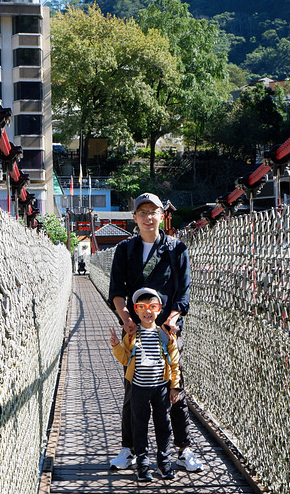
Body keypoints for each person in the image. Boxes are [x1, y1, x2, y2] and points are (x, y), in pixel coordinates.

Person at [107, 192, 203, 472]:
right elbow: (117, 290)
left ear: (163, 216)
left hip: (165, 332)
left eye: (154, 212)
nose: (148, 217)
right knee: (132, 391)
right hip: (136, 330)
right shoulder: (125, 249)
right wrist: (126, 319)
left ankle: (183, 450)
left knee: (174, 389)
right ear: (134, 218)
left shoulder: (176, 249)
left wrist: (171, 320)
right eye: (142, 212)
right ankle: (130, 449)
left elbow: (183, 294)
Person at [109, 287, 180, 482]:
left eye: (153, 306)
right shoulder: (132, 335)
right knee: (139, 425)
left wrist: (174, 386)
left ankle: (164, 462)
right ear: (136, 311)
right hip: (139, 388)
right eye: (142, 307)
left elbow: (174, 363)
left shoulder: (165, 335)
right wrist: (116, 345)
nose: (148, 311)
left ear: (159, 310)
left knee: (163, 425)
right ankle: (142, 463)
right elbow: (125, 359)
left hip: (161, 388)